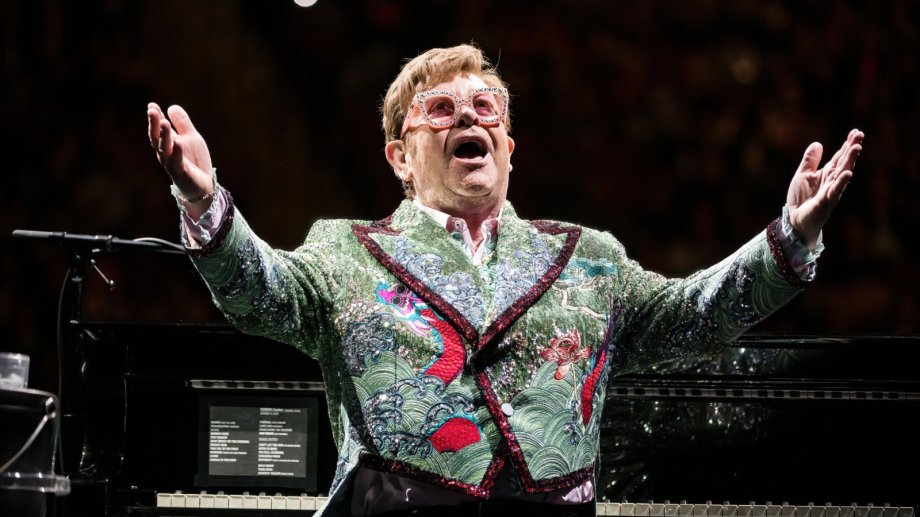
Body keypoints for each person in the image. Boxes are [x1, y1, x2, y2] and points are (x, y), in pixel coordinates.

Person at [146, 44, 863, 517]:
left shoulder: (589, 259)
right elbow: (260, 293)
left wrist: (791, 236)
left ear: (509, 148)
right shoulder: (346, 252)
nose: (467, 115)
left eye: (485, 106)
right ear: (400, 157)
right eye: (440, 109)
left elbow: (694, 317)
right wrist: (204, 204)